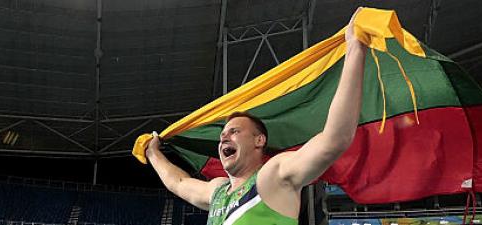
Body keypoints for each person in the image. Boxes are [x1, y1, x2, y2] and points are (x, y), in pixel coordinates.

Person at [142, 8, 367, 225]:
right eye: (222, 135)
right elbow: (179, 182)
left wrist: (355, 49)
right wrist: (152, 152)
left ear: (259, 140)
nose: (224, 138)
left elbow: (333, 140)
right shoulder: (218, 192)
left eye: (234, 131)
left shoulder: (273, 176)